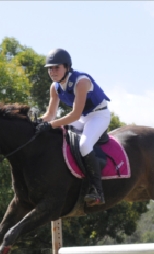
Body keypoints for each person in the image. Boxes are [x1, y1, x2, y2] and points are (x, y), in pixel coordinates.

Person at [36, 48, 111, 206]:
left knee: (84, 145)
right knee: (57, 133)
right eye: (50, 68)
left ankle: (97, 191)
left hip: (98, 115)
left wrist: (49, 125)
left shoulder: (81, 81)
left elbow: (74, 115)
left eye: (56, 67)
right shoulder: (54, 87)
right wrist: (35, 123)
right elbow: (50, 115)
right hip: (83, 117)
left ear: (67, 67)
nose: (53, 71)